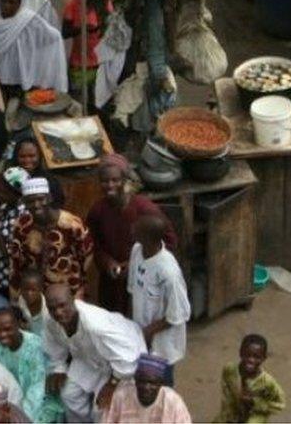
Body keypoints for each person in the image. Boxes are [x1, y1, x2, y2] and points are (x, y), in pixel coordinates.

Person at [87, 154, 177, 314]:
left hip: (144, 280)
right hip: (112, 281)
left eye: (115, 180)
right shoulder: (97, 210)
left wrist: (136, 264)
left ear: (125, 180)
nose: (110, 185)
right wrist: (107, 262)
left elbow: (169, 241)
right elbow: (94, 244)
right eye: (105, 181)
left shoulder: (144, 208)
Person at [43, 284, 146, 422]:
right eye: (52, 308)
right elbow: (54, 344)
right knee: (68, 394)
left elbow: (127, 358)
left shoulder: (95, 323)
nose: (58, 312)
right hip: (88, 358)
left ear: (74, 299)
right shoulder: (50, 320)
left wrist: (111, 385)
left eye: (62, 305)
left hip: (122, 360)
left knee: (102, 408)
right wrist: (59, 368)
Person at [0, 0, 68, 98]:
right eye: (3, 1)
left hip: (21, 74)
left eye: (12, 2)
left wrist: (37, 56)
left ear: (20, 2)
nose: (6, 5)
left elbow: (54, 37)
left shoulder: (28, 19)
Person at [8, 177, 92, 296]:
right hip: (35, 293)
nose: (36, 205)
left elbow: (86, 254)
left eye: (41, 199)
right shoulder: (21, 225)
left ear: (49, 198)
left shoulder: (72, 224)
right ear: (24, 203)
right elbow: (16, 261)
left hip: (68, 291)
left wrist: (78, 280)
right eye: (30, 201)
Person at [128, 213, 190, 367]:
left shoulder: (168, 272)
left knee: (161, 384)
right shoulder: (137, 250)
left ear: (148, 238)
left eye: (137, 230)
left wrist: (146, 333)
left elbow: (177, 315)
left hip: (162, 345)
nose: (132, 229)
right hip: (140, 337)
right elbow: (133, 290)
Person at [0, 307, 63, 423]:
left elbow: (37, 389)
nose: (2, 335)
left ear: (18, 325)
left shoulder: (34, 347)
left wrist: (18, 417)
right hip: (10, 400)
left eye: (7, 329)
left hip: (39, 402)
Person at [214, 335, 286, 423]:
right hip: (234, 411)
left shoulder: (267, 382)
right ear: (240, 353)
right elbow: (226, 390)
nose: (251, 360)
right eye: (247, 355)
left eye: (257, 357)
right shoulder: (230, 370)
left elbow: (280, 404)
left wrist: (254, 402)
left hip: (256, 414)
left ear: (264, 358)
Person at [102, 354, 192, 423]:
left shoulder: (172, 401)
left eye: (152, 383)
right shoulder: (120, 396)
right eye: (142, 381)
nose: (146, 387)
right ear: (136, 381)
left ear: (160, 384)